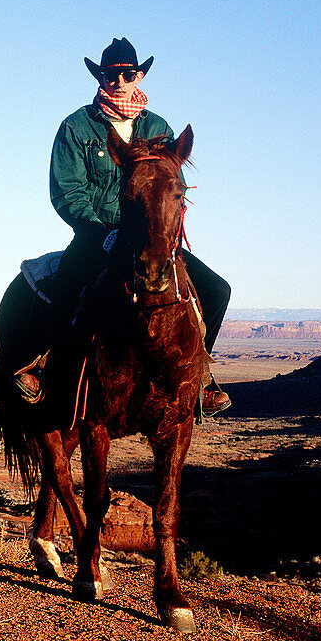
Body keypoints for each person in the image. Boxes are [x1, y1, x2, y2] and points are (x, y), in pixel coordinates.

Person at [17, 38, 231, 415]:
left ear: (139, 76)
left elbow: (169, 187)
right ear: (101, 77)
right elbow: (67, 191)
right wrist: (102, 231)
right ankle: (43, 365)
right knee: (68, 285)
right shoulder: (77, 126)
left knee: (215, 290)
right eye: (111, 74)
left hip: (152, 237)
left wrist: (161, 229)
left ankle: (198, 378)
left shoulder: (159, 127)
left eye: (127, 74)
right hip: (96, 235)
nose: (119, 81)